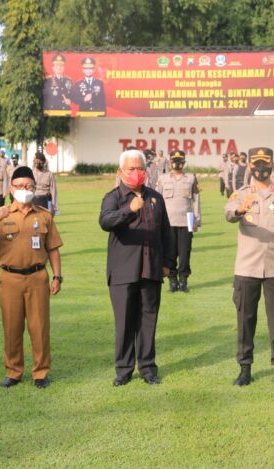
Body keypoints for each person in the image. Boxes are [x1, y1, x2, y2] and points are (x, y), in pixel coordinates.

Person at [0, 166, 63, 389]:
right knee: (12, 327)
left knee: (39, 327)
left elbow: (53, 248)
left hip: (37, 277)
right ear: (10, 188)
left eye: (29, 186)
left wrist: (57, 276)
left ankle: (41, 372)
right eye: (19, 186)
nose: (24, 190)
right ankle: (13, 371)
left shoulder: (44, 215)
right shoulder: (1, 213)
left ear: (34, 188)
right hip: (10, 278)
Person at [224, 147, 274, 387]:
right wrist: (240, 209)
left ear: (271, 166)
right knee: (245, 321)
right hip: (247, 268)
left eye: (265, 163)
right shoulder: (241, 193)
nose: (261, 168)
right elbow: (228, 213)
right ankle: (245, 368)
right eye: (256, 163)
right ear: (250, 166)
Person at [99, 149, 172, 386]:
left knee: (148, 320)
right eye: (131, 169)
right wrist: (129, 210)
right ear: (120, 172)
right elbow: (105, 221)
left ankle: (148, 368)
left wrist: (168, 263)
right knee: (125, 321)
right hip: (123, 270)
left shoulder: (155, 198)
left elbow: (166, 232)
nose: (137, 173)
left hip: (151, 268)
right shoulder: (114, 197)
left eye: (140, 168)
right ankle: (124, 369)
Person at [155, 150, 201, 293]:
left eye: (180, 160)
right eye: (174, 160)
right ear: (170, 162)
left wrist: (196, 221)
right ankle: (172, 281)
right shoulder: (162, 179)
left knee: (185, 253)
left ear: (184, 162)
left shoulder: (191, 178)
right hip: (167, 222)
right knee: (169, 253)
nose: (177, 163)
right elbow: (157, 201)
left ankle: (183, 281)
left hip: (186, 221)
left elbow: (196, 200)